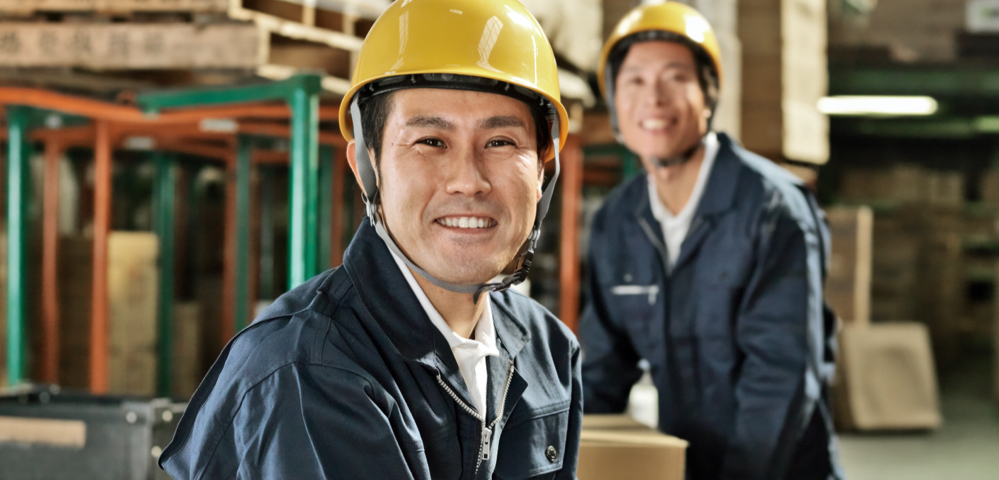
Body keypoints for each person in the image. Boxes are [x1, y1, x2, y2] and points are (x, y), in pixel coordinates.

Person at [159, 0, 581, 478]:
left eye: (500, 143)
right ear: (368, 166)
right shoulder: (311, 371)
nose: (469, 181)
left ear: (544, 170)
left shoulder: (546, 350)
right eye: (431, 142)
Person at [579, 3, 843, 479]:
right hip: (688, 463)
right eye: (634, 80)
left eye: (675, 77)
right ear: (615, 101)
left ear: (708, 95)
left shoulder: (771, 209)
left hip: (780, 468)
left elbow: (780, 377)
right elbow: (601, 369)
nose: (652, 97)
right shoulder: (618, 221)